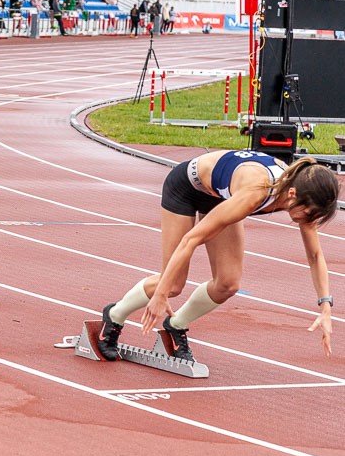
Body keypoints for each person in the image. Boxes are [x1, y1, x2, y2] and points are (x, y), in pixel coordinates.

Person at [96, 151, 339, 363]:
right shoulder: (256, 192)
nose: (309, 220)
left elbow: (315, 255)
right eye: (309, 214)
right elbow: (190, 240)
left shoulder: (303, 195)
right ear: (292, 194)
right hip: (186, 188)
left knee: (228, 283)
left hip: (220, 196)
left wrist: (325, 308)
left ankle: (176, 325)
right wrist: (160, 294)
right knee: (173, 284)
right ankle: (114, 316)